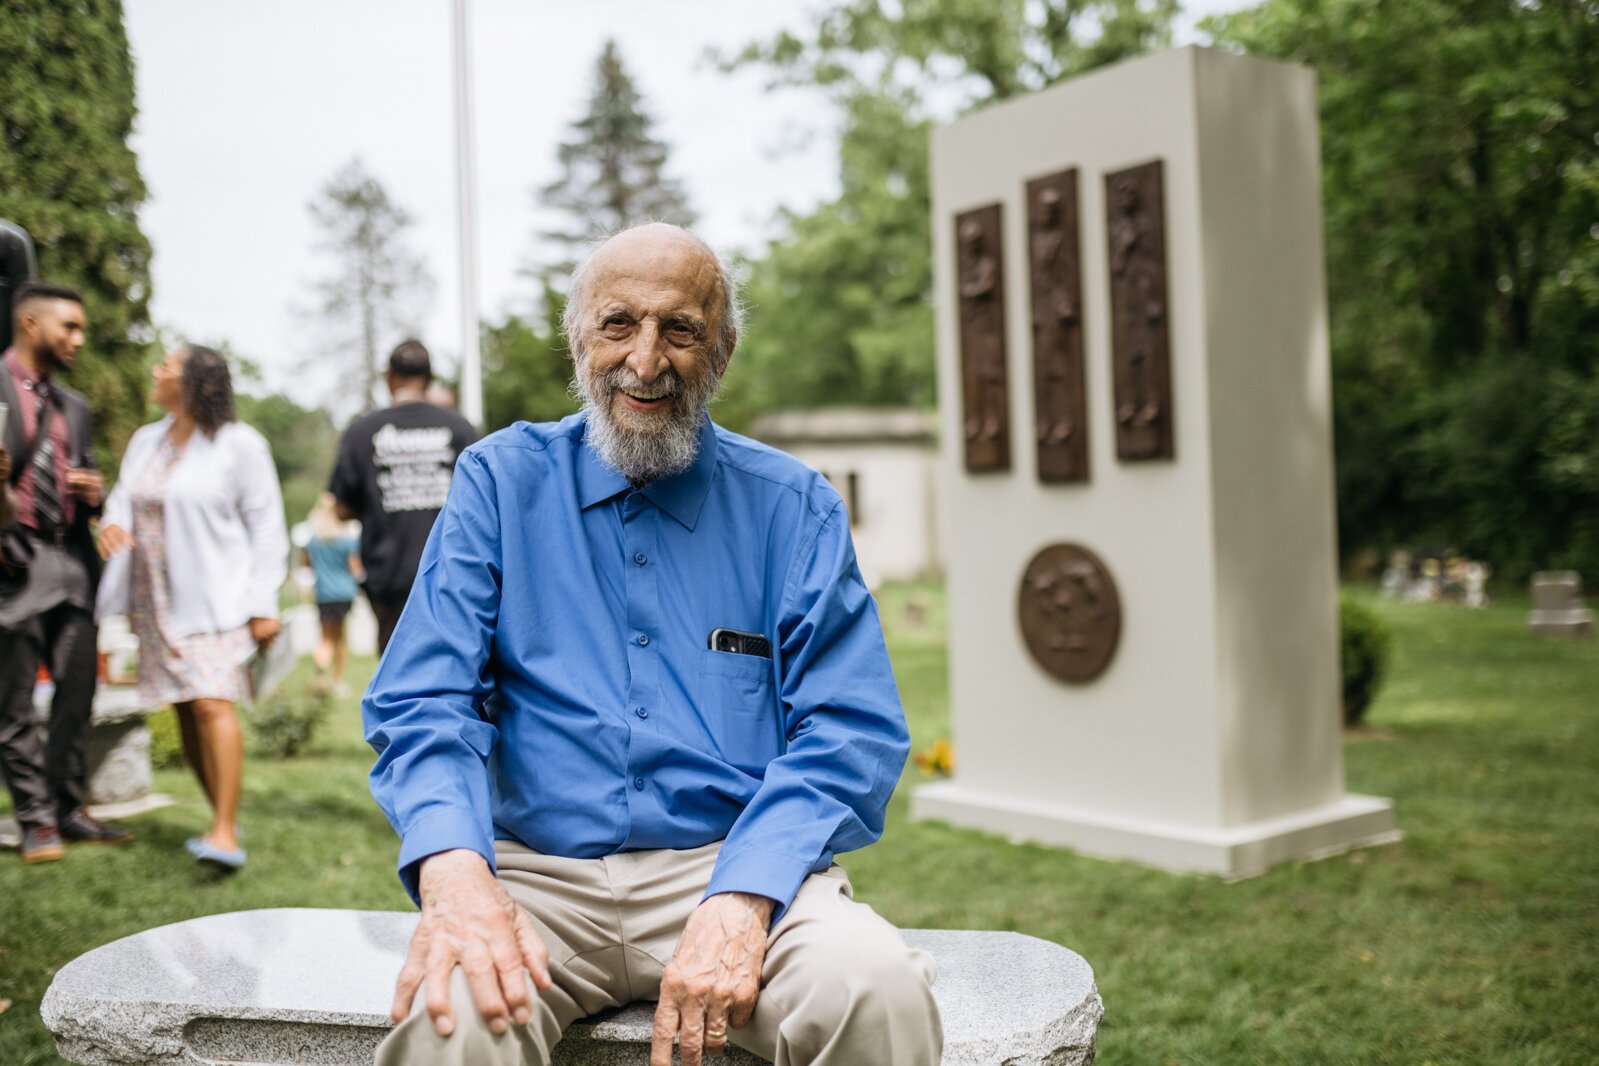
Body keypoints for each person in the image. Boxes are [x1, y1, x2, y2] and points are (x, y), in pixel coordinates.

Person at [366, 224, 941, 1066]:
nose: (644, 360)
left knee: (874, 988)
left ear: (722, 351)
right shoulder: (499, 482)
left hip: (736, 864)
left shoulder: (794, 508)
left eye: (679, 329)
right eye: (617, 324)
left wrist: (744, 893)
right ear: (578, 339)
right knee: (451, 1018)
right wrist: (454, 867)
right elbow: (425, 699)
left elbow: (849, 730)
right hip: (536, 875)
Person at [97, 345, 288, 872]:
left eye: (166, 366)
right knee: (184, 706)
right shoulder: (146, 440)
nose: (156, 371)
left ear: (194, 383)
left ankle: (224, 832)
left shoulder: (240, 445)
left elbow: (267, 526)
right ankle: (220, 817)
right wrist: (111, 523)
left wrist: (263, 603)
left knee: (210, 703)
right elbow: (123, 498)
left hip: (218, 600)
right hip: (156, 601)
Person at [0, 282, 128, 865]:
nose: (78, 339)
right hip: (13, 560)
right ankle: (35, 819)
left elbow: (88, 478)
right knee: (15, 702)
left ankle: (69, 807)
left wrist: (96, 494)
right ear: (30, 323)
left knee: (78, 691)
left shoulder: (74, 406)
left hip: (72, 562)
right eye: (68, 327)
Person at [329, 340, 477, 654]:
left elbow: (340, 508)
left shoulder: (361, 432)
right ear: (430, 379)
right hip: (452, 575)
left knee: (397, 668)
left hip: (388, 579)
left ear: (389, 377)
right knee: (456, 665)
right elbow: (481, 503)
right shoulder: (460, 429)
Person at [302, 492, 362, 694]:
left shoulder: (313, 541)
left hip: (323, 594)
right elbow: (355, 568)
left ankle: (320, 672)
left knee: (325, 638)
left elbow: (307, 565)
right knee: (341, 639)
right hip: (343, 593)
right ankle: (338, 682)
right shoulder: (346, 541)